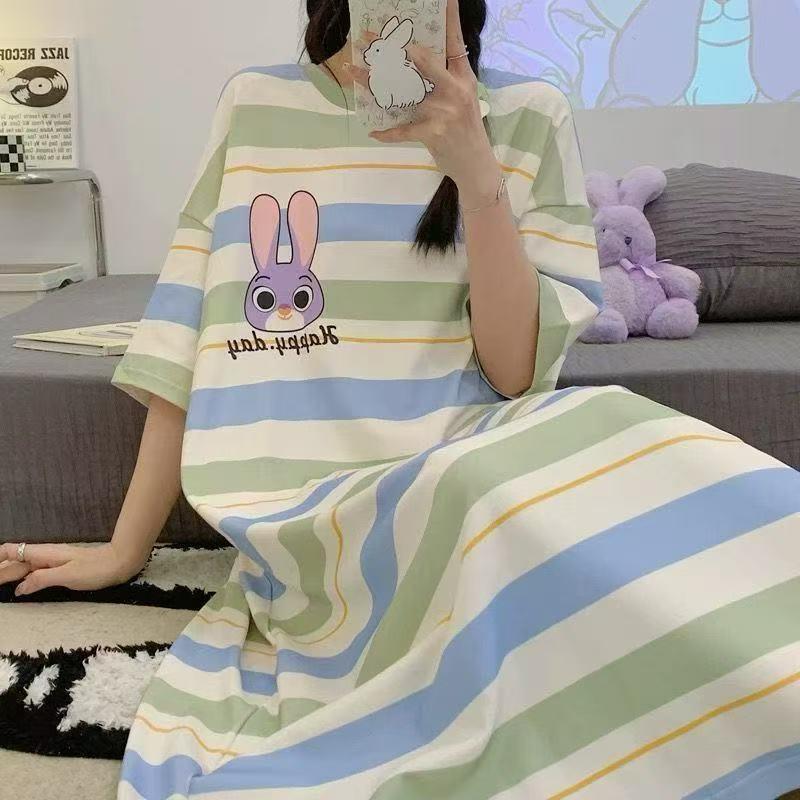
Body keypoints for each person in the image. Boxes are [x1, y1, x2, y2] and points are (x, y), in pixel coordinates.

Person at [3, 0, 800, 797]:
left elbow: (514, 371)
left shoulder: (528, 114)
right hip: (328, 512)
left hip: (474, 455)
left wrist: (474, 167)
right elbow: (188, 336)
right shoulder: (256, 105)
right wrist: (124, 549)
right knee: (490, 499)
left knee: (631, 431)